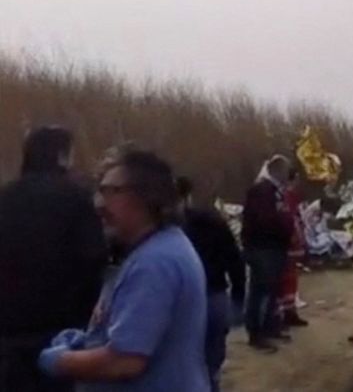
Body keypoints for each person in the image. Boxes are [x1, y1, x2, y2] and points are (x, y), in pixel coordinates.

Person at [38, 150, 208, 391]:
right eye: (100, 191)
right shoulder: (154, 249)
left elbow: (124, 361)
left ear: (149, 196)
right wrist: (87, 342)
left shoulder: (156, 262)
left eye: (111, 192)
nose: (99, 204)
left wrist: (59, 361)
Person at [1, 127, 107, 392]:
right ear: (62, 156)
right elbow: (94, 259)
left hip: (8, 331)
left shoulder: (5, 198)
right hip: (61, 332)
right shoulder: (78, 199)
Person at [179, 177, 246, 392]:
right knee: (212, 358)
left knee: (185, 358)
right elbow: (233, 257)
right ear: (188, 196)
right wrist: (238, 294)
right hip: (213, 295)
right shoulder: (212, 221)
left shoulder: (162, 229)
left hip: (184, 301)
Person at [240, 155, 294, 351]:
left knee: (272, 290)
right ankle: (256, 332)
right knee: (260, 291)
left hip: (274, 248)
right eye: (287, 171)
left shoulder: (276, 192)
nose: (289, 175)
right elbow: (265, 220)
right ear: (277, 171)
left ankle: (270, 326)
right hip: (263, 248)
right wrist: (282, 229)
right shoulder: (262, 191)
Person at [277, 170, 308, 328]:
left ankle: (290, 312)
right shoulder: (284, 196)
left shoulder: (291, 197)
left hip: (293, 243)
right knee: (285, 280)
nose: (298, 182)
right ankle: (283, 314)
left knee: (291, 280)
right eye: (296, 179)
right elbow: (289, 219)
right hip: (287, 244)